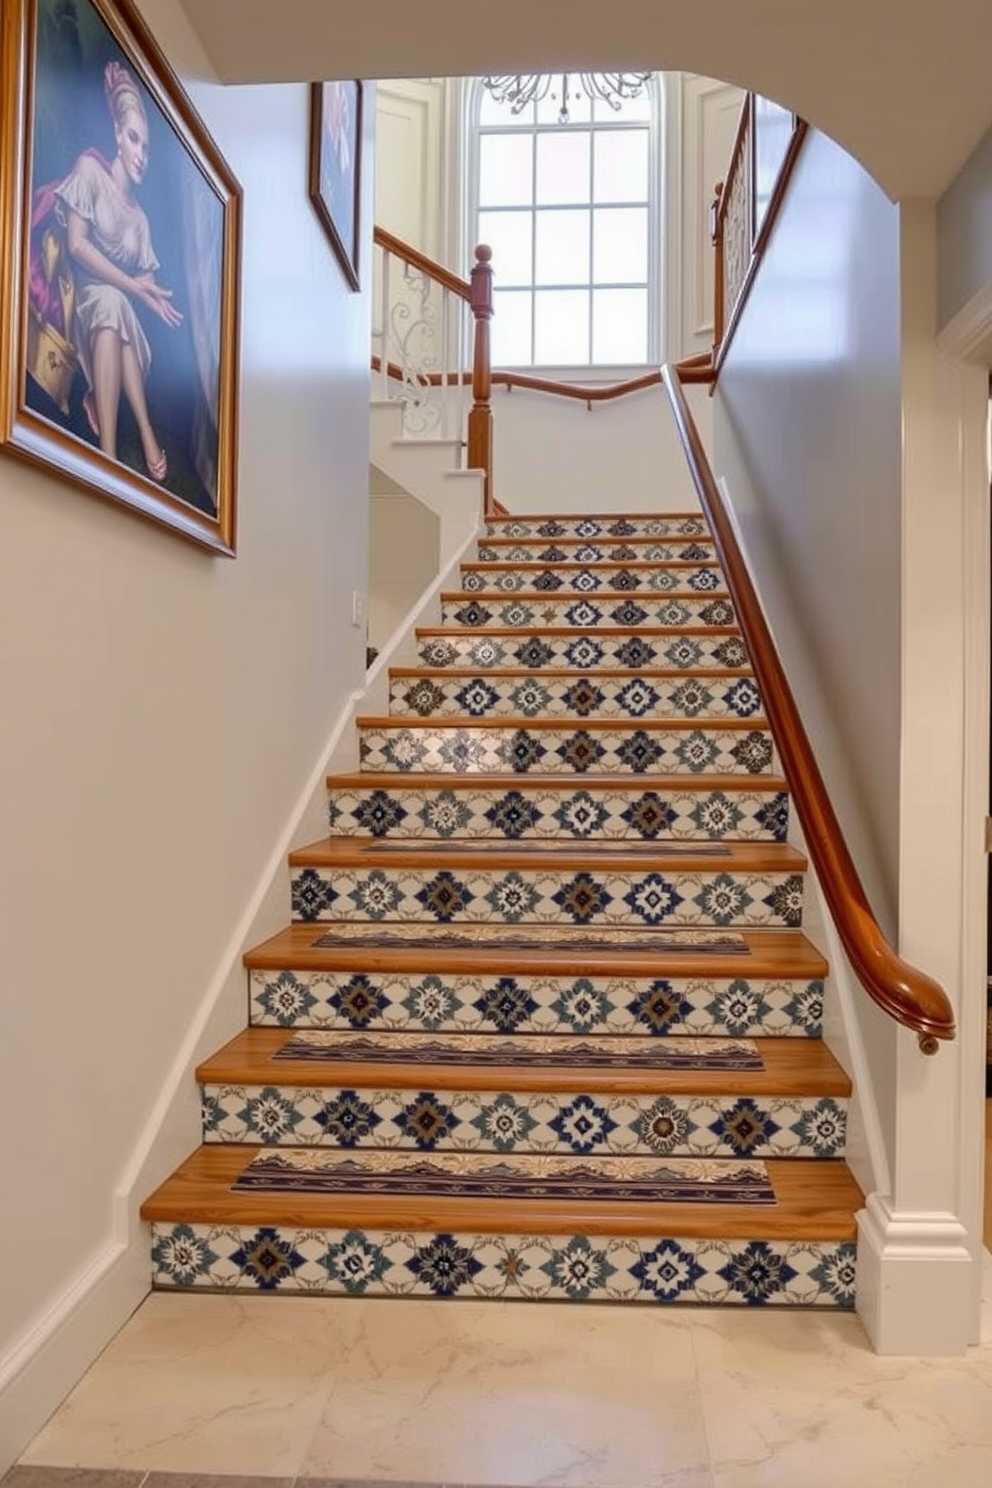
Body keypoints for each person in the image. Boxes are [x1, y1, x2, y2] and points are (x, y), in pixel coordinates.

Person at [53, 59, 182, 482]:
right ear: (116, 135)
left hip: (115, 318)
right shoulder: (89, 172)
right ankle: (119, 448)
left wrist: (147, 289)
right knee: (113, 301)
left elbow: (144, 281)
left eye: (146, 146)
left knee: (117, 306)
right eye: (133, 140)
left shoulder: (140, 220)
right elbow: (76, 246)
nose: (141, 155)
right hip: (79, 300)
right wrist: (134, 286)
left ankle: (116, 448)